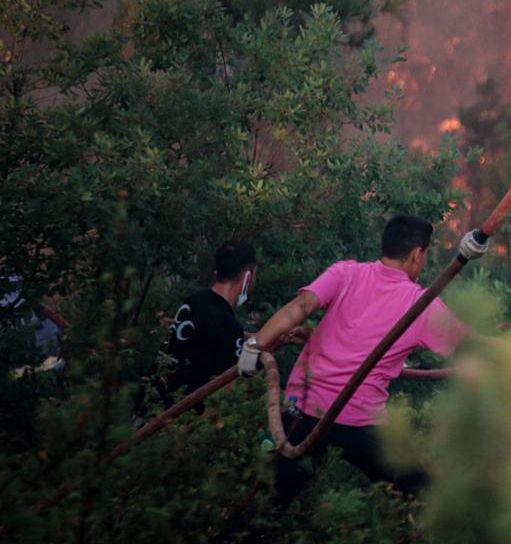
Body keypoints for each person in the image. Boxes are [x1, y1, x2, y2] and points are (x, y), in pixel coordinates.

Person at [237, 215, 470, 507]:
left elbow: (301, 305)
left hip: (304, 411)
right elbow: (469, 343)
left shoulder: (345, 272)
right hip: (360, 423)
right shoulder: (419, 303)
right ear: (417, 254)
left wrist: (254, 345)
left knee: (265, 504)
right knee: (424, 497)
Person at [157, 241, 256, 398]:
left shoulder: (193, 301)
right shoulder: (228, 326)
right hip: (181, 415)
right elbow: (231, 387)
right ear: (248, 275)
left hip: (152, 401)